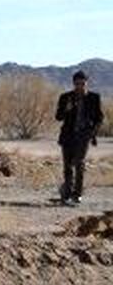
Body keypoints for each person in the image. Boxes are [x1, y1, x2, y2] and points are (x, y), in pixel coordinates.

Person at [55, 70, 103, 205]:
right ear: (73, 83)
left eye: (82, 83)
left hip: (83, 136)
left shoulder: (94, 98)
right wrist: (66, 109)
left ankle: (78, 194)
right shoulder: (65, 97)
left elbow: (99, 117)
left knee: (79, 163)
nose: (80, 86)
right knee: (67, 166)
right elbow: (58, 117)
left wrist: (92, 132)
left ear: (87, 83)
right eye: (77, 84)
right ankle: (67, 193)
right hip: (68, 136)